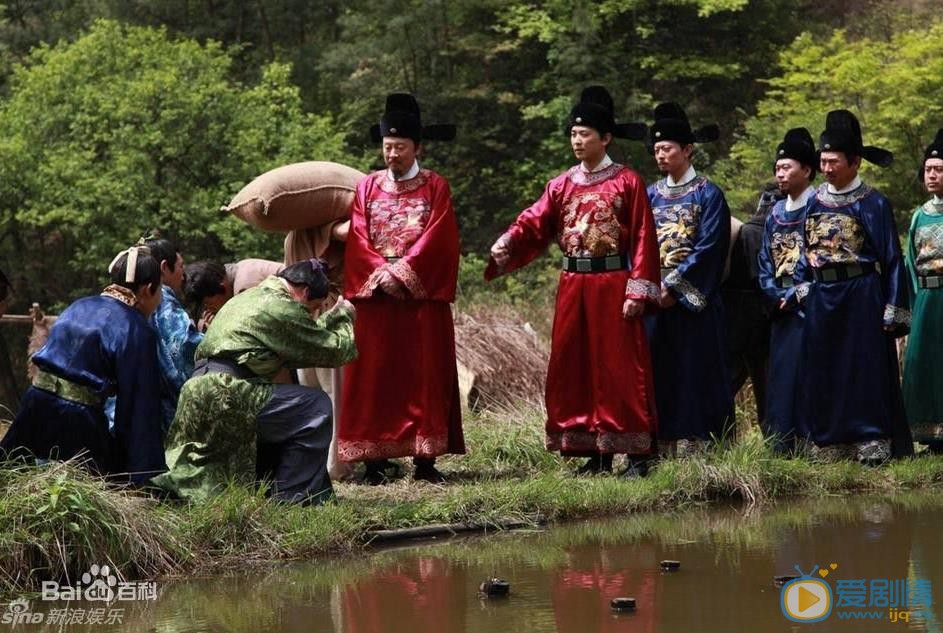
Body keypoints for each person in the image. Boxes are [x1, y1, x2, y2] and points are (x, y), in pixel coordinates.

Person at [487, 86, 660, 476]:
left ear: (606, 138)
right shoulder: (561, 184)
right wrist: (509, 240)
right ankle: (593, 453)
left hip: (613, 283)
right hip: (572, 283)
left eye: (585, 135)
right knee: (574, 365)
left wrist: (637, 288)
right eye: (573, 134)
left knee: (619, 366)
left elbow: (645, 239)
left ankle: (636, 453)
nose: (577, 141)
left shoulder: (627, 182)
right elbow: (535, 221)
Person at [338, 93, 463, 484]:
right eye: (387, 147)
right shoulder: (367, 187)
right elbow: (358, 233)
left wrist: (404, 274)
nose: (392, 154)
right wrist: (379, 273)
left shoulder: (435, 186)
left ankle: (425, 460)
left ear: (417, 148)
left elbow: (440, 237)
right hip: (376, 297)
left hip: (418, 297)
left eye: (400, 147)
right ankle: (375, 459)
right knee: (376, 376)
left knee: (423, 374)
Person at [156, 260, 355, 504]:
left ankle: (262, 491)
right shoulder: (282, 307)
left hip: (196, 390)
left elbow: (296, 341)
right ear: (303, 292)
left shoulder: (247, 298)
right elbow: (334, 350)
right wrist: (345, 316)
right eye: (313, 308)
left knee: (197, 462)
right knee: (314, 407)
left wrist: (328, 320)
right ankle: (295, 500)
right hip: (227, 391)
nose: (311, 314)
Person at [799, 109, 911, 462]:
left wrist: (893, 308)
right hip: (821, 295)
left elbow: (892, 258)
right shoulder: (813, 201)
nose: (827, 168)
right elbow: (804, 248)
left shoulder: (873, 203)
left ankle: (871, 440)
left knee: (864, 366)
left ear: (855, 162)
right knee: (823, 366)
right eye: (823, 161)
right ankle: (829, 441)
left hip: (861, 292)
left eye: (834, 161)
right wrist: (804, 289)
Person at [1, 245, 166, 483]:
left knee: (11, 475)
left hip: (35, 402)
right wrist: (142, 473)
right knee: (99, 484)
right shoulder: (137, 329)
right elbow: (138, 409)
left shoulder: (79, 305)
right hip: (77, 419)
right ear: (148, 289)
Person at [645, 102, 733, 456]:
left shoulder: (708, 194)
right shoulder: (649, 195)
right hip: (654, 296)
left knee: (696, 371)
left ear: (688, 149)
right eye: (656, 149)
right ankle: (656, 445)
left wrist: (675, 287)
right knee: (657, 372)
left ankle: (702, 445)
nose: (661, 155)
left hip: (693, 300)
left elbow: (710, 247)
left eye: (667, 148)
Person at [756, 128, 817, 452]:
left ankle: (812, 441)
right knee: (779, 375)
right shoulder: (775, 213)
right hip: (779, 306)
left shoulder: (819, 205)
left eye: (787, 167)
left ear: (806, 170)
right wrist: (773, 292)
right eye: (777, 168)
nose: (780, 174)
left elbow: (824, 261)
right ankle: (781, 443)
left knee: (808, 372)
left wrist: (797, 294)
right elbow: (765, 258)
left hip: (809, 306)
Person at [105, 237, 202, 432]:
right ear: (164, 268)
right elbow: (183, 346)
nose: (184, 275)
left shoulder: (107, 305)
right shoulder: (160, 297)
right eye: (181, 266)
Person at [722, 184, 780, 432]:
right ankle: (774, 436)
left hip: (734, 314)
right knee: (765, 381)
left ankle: (718, 436)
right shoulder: (761, 231)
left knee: (730, 381)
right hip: (759, 313)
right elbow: (762, 277)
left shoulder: (744, 229)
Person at [902, 128, 943, 452]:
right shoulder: (919, 215)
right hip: (927, 299)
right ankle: (930, 436)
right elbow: (909, 264)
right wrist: (913, 307)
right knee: (924, 362)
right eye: (929, 169)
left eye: (939, 169)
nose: (932, 174)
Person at [184, 258, 285, 331]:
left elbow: (253, 332)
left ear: (220, 287)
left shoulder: (244, 289)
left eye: (208, 304)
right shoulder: (238, 272)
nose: (208, 310)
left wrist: (218, 327)